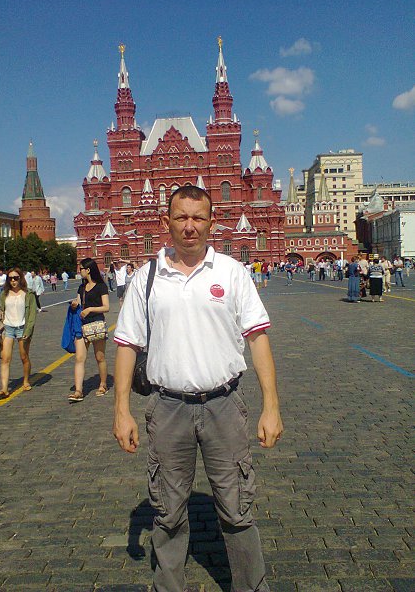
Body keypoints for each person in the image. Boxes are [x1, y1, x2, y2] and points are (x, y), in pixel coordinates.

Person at [113, 185, 283, 592]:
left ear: (211, 222)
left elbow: (258, 339)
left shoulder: (231, 272)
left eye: (198, 218)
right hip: (167, 407)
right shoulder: (146, 277)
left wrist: (271, 406)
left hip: (224, 405)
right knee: (168, 513)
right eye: (181, 217)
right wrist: (121, 411)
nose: (189, 226)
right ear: (166, 221)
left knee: (237, 510)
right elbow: (127, 345)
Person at [0, 267, 37, 399]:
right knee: (5, 358)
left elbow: (32, 315)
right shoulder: (5, 294)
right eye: (10, 278)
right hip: (8, 329)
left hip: (22, 328)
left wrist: (28, 331)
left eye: (15, 278)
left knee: (24, 357)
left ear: (20, 278)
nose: (13, 281)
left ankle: (26, 380)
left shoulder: (28, 294)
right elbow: (1, 314)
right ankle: (4, 389)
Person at [68, 257, 110, 402]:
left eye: (81, 269)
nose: (79, 271)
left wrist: (91, 309)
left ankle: (103, 384)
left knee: (100, 357)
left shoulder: (101, 286)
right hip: (82, 325)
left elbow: (106, 307)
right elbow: (79, 302)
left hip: (96, 323)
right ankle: (78, 391)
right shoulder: (81, 287)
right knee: (79, 358)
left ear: (88, 270)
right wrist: (75, 304)